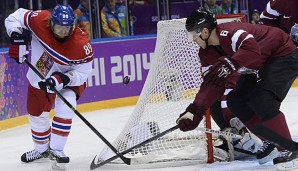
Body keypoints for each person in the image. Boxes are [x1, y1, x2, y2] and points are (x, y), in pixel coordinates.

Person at [176, 7, 298, 170]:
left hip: (282, 54)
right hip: (258, 65)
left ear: (205, 31)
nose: (193, 39)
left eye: (194, 34)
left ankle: (289, 149)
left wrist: (230, 64)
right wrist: (194, 111)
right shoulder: (206, 54)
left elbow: (252, 49)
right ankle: (272, 139)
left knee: (262, 99)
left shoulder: (229, 32)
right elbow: (211, 84)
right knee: (236, 100)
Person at [5, 4, 94, 169]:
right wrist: (16, 35)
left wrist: (63, 79)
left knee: (66, 106)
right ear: (51, 23)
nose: (63, 32)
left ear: (73, 26)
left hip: (67, 78)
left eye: (67, 29)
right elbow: (15, 17)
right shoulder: (39, 20)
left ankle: (57, 149)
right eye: (59, 28)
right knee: (36, 113)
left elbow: (84, 73)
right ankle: (41, 150)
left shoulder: (81, 44)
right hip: (40, 74)